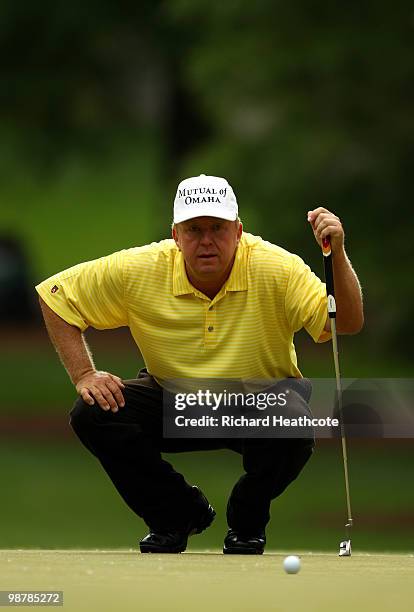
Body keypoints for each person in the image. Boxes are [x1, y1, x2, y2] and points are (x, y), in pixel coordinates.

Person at [36, 174, 363, 554]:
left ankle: (247, 520)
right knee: (93, 412)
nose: (206, 240)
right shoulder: (140, 269)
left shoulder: (277, 268)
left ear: (238, 231)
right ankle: (177, 514)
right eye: (194, 230)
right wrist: (84, 374)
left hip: (259, 404)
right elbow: (55, 297)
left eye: (217, 228)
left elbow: (347, 323)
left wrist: (336, 254)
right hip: (178, 401)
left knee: (292, 421)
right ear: (176, 235)